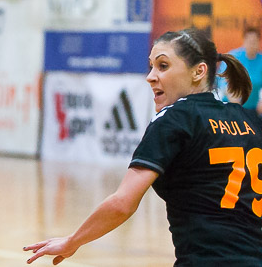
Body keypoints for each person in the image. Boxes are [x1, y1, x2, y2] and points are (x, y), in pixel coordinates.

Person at [24, 28, 259, 266]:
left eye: (163, 66)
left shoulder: (175, 118)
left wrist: (72, 241)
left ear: (199, 71)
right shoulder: (249, 121)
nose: (150, 76)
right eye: (151, 66)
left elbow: (122, 204)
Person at [220, 26, 262, 115]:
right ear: (244, 41)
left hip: (253, 109)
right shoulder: (234, 57)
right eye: (249, 41)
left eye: (254, 41)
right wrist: (231, 95)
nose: (252, 44)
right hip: (230, 107)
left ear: (259, 42)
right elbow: (222, 80)